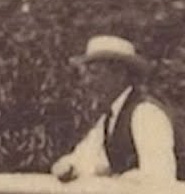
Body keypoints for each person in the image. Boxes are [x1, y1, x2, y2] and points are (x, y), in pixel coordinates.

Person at [51, 35, 177, 183]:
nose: (87, 82)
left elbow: (160, 176)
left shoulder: (145, 114)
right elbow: (86, 158)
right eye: (86, 74)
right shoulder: (109, 119)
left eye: (95, 73)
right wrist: (70, 167)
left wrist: (119, 181)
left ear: (119, 74)